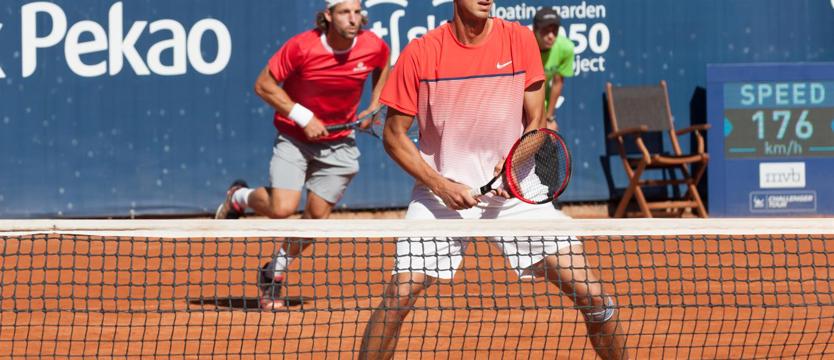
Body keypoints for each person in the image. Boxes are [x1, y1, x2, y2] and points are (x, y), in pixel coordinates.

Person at [358, 0, 627, 359]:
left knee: (593, 296)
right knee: (398, 297)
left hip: (516, 191)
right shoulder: (421, 52)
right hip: (441, 194)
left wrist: (515, 161)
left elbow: (537, 121)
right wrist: (441, 185)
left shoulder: (519, 40)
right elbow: (393, 136)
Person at [214, 0, 390, 310]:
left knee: (316, 220)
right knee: (282, 208)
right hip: (294, 138)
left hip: (340, 143)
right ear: (328, 16)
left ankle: (273, 272)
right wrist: (304, 117)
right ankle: (238, 197)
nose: (353, 19)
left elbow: (383, 65)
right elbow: (263, 85)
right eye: (344, 12)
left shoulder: (372, 45)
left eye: (357, 12)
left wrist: (374, 105)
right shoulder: (301, 47)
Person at [533, 7, 574, 131]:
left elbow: (557, 82)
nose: (551, 36)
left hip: (541, 102)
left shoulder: (566, 48)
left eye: (555, 31)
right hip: (519, 102)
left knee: (551, 131)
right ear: (535, 30)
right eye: (545, 31)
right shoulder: (523, 45)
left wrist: (549, 117)